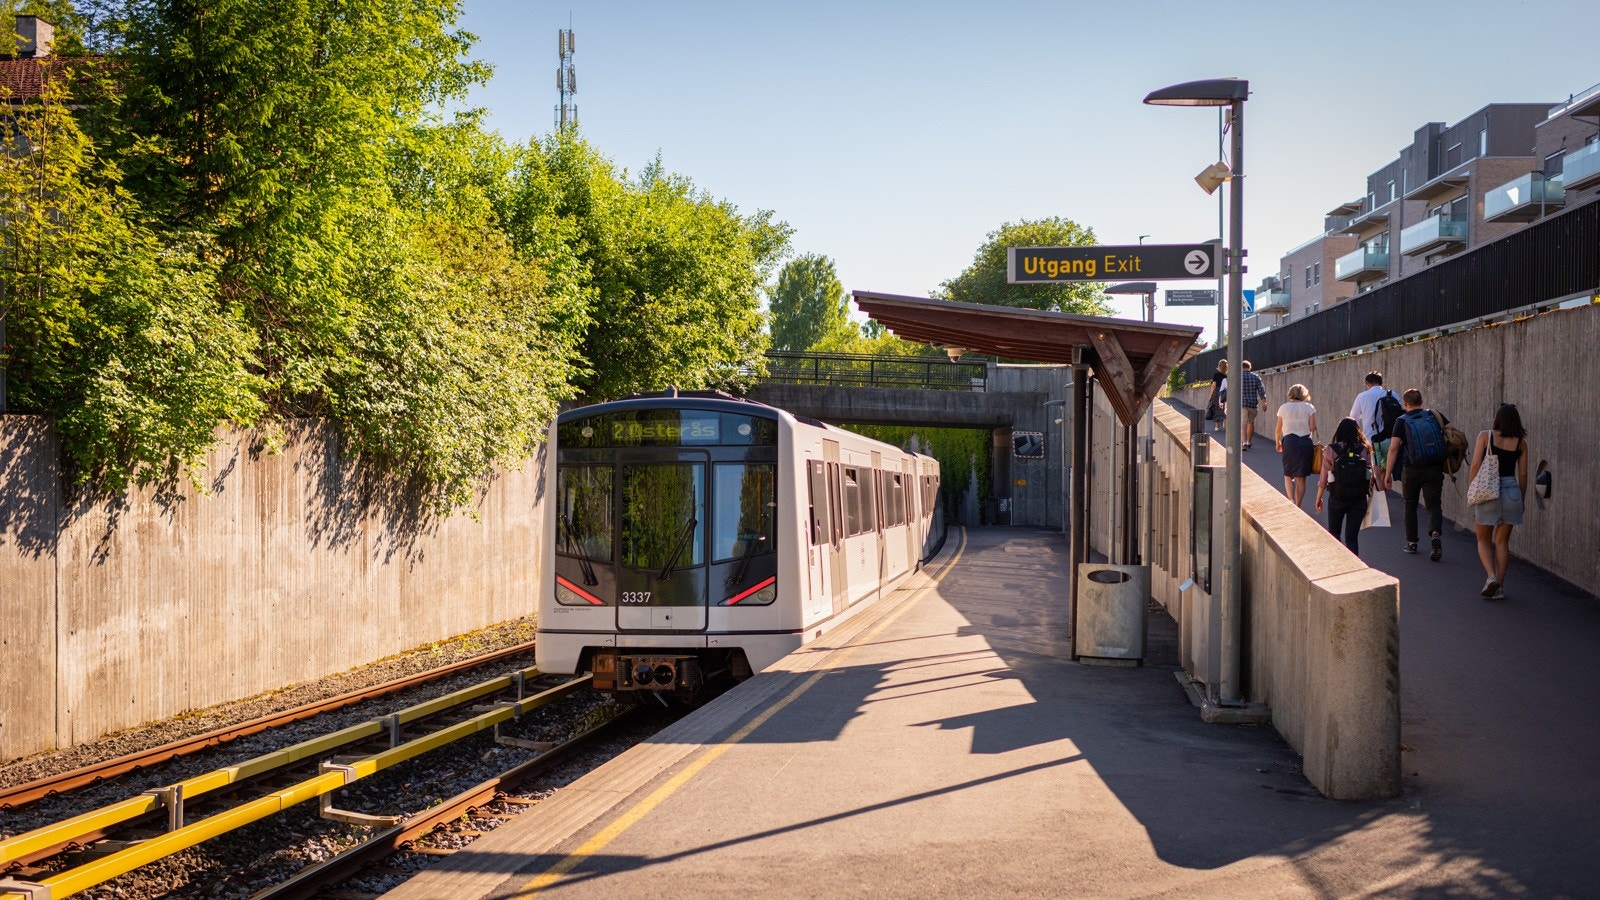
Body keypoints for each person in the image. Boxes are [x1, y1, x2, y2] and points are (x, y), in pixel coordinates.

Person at [1469, 404, 1529, 600]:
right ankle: (1500, 587)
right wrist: (1522, 498)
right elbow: (1523, 473)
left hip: (1488, 490)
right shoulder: (1521, 443)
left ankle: (1491, 577)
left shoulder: (1485, 436)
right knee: (1502, 542)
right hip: (1512, 490)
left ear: (1498, 419)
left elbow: (1476, 464)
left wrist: (1472, 489)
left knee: (1483, 540)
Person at [1382, 388, 1450, 561]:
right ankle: (1435, 534)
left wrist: (1387, 474)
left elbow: (1394, 448)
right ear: (1421, 401)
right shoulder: (1434, 415)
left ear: (1405, 404)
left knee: (1410, 505)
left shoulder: (1402, 421)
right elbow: (1451, 432)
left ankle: (1412, 543)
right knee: (1433, 504)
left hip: (1411, 469)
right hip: (1434, 467)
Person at [1316, 417, 1376, 553]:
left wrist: (1319, 498)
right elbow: (1370, 475)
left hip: (1337, 497)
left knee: (1334, 534)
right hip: (1358, 498)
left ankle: (1338, 566)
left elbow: (1323, 478)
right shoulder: (1364, 449)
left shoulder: (1331, 449)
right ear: (1357, 432)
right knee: (1352, 537)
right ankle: (1354, 567)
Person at [1274, 384, 1318, 507]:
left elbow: (1279, 428)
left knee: (1288, 473)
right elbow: (1312, 428)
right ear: (1304, 394)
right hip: (1305, 442)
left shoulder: (1284, 407)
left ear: (1291, 393)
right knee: (1301, 477)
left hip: (1289, 442)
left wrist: (1277, 441)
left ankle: (1291, 500)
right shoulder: (1309, 407)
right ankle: (1298, 505)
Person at [1349, 371, 1397, 472]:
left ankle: (1379, 487)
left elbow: (1353, 418)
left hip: (1371, 440)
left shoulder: (1361, 396)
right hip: (1391, 439)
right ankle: (1385, 486)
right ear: (1381, 383)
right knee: (1387, 470)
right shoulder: (1392, 394)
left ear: (1368, 383)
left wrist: (1359, 437)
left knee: (1375, 471)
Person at [1233, 360, 1266, 450]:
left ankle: (1244, 443)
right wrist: (1264, 402)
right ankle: (1249, 441)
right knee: (1250, 422)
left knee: (1243, 424)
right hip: (1252, 404)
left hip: (1241, 403)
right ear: (1250, 367)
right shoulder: (1255, 377)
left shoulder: (1237, 377)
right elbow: (1261, 391)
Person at [1206, 359, 1227, 433]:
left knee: (1216, 408)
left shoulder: (1216, 375)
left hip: (1217, 392)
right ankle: (1225, 423)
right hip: (1226, 392)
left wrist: (1210, 395)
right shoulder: (1228, 375)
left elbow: (1213, 386)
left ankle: (1217, 426)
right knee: (1225, 407)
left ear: (1219, 366)